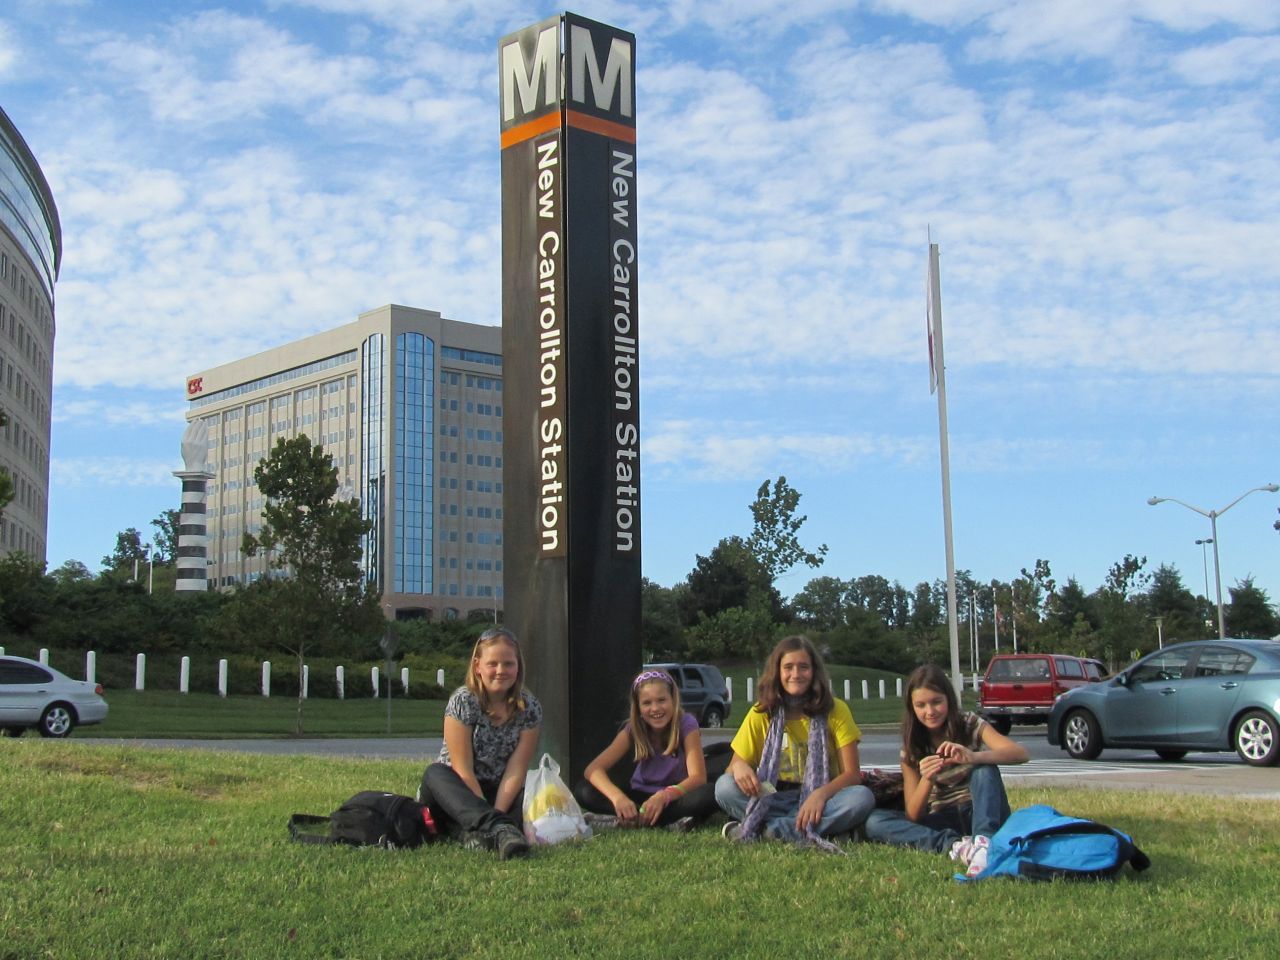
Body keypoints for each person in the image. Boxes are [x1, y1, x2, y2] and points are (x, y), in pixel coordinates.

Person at [863, 663, 1029, 876]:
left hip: (980, 810)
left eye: (936, 702)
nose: (930, 711)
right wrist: (927, 779)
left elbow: (1020, 753)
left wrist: (974, 757)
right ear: (912, 708)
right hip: (944, 818)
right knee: (874, 822)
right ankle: (956, 846)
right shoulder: (911, 748)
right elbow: (913, 815)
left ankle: (984, 843)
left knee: (984, 769)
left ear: (948, 700)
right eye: (921, 705)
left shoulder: (969, 723)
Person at [715, 636, 874, 851]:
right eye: (788, 667)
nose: (796, 674)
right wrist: (739, 767)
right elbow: (733, 767)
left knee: (862, 797)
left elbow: (852, 775)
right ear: (777, 672)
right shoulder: (761, 712)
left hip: (823, 795)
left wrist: (819, 795)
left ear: (814, 671)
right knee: (724, 787)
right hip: (772, 793)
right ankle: (808, 828)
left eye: (803, 667)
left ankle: (768, 829)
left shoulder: (836, 710)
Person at [417, 627, 541, 860]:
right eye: (492, 664)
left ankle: (474, 834)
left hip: (498, 792)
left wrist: (496, 812)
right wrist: (493, 820)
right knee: (435, 773)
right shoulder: (463, 701)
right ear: (477, 666)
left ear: (518, 667)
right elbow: (462, 769)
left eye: (508, 664)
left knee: (530, 794)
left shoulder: (530, 707)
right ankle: (501, 830)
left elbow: (516, 769)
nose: (500, 671)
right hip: (457, 791)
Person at [573, 669, 721, 831]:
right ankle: (654, 819)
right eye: (647, 703)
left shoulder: (686, 723)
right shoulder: (633, 729)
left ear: (673, 700)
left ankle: (633, 820)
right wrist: (618, 798)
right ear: (638, 707)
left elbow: (698, 777)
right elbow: (593, 769)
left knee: (708, 793)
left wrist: (664, 796)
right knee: (583, 790)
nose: (655, 708)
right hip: (640, 796)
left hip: (674, 795)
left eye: (661, 700)